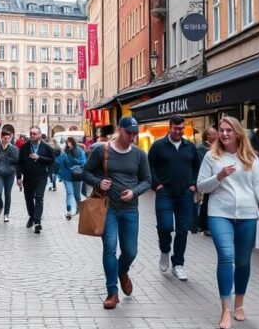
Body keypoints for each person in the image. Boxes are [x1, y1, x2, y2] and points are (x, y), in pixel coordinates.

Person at [197, 116, 259, 329]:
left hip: (248, 215)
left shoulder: (251, 157)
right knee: (226, 257)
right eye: (221, 130)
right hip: (220, 213)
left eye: (229, 130)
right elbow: (201, 187)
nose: (224, 134)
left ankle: (240, 303)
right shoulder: (212, 157)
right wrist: (218, 176)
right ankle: (225, 310)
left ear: (238, 132)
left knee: (242, 261)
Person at [82, 117, 151, 309]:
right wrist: (98, 182)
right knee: (110, 248)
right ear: (119, 130)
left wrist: (134, 192)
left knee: (130, 251)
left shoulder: (139, 154)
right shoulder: (101, 150)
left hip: (130, 209)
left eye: (134, 134)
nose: (132, 137)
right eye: (128, 133)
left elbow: (147, 180)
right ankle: (112, 292)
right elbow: (86, 172)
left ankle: (122, 271)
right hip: (108, 208)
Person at [148, 115, 202, 282]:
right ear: (169, 127)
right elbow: (149, 167)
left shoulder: (190, 147)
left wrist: (194, 185)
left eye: (181, 128)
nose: (179, 131)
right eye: (176, 128)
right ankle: (165, 250)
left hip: (185, 194)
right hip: (164, 193)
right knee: (165, 227)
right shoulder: (158, 146)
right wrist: (156, 185)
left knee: (182, 230)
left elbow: (197, 167)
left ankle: (178, 264)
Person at [17, 126, 55, 234]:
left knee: (39, 197)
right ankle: (32, 216)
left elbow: (52, 160)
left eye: (34, 134)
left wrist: (39, 158)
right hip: (28, 177)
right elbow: (19, 163)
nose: (32, 135)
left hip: (41, 176)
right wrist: (19, 177)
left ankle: (37, 222)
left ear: (39, 135)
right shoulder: (24, 147)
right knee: (28, 199)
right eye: (31, 133)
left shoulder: (46, 147)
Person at [56, 137, 87, 220]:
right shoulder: (65, 152)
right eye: (67, 142)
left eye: (70, 142)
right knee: (69, 193)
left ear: (73, 142)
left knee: (77, 195)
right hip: (67, 175)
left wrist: (75, 161)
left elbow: (84, 162)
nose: (68, 144)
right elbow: (60, 162)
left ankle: (78, 209)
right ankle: (69, 211)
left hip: (76, 175)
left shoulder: (80, 151)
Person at [195, 126, 218, 235]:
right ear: (208, 136)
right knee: (204, 203)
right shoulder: (200, 148)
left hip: (214, 180)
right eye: (214, 134)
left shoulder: (219, 148)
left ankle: (203, 225)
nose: (216, 135)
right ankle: (203, 225)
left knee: (207, 203)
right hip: (204, 179)